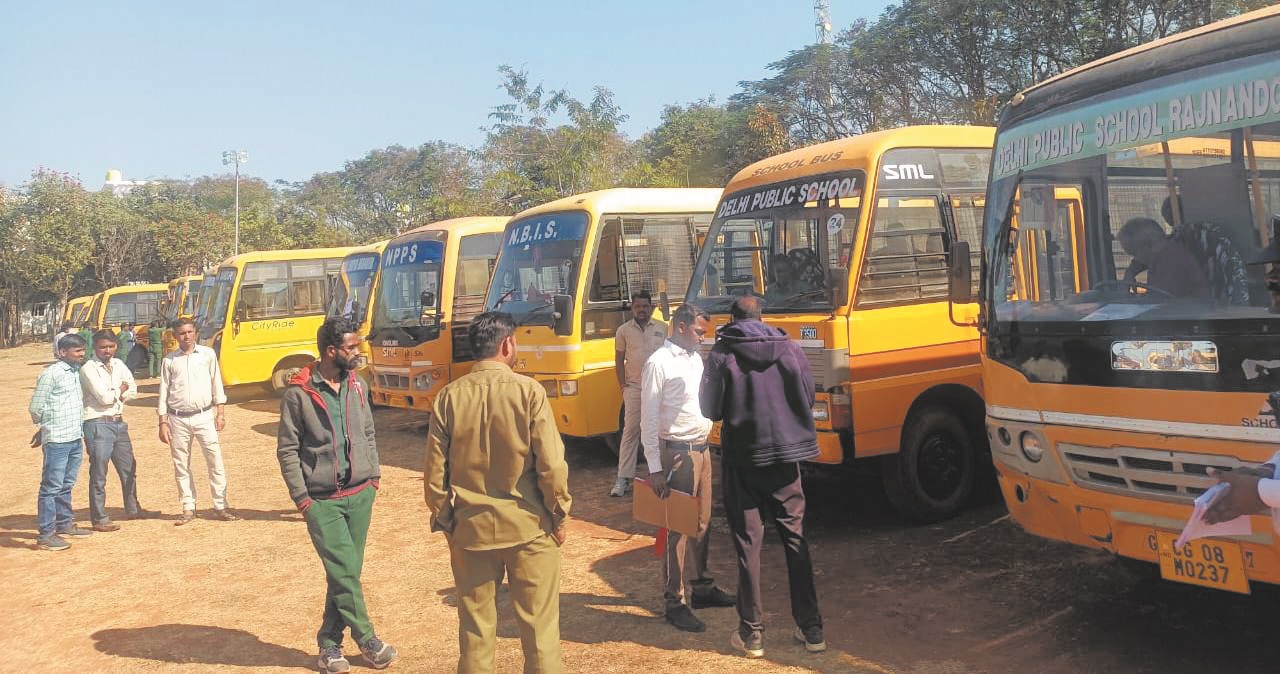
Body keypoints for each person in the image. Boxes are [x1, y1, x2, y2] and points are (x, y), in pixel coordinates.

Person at [425, 311, 572, 674]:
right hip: (530, 528)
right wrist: (559, 515)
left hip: (471, 530)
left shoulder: (448, 398)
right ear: (507, 345)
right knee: (540, 632)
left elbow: (433, 477)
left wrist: (447, 522)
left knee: (475, 632)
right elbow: (552, 466)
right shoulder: (529, 392)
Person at [700, 295, 825, 658]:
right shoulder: (789, 348)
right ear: (762, 317)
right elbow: (808, 395)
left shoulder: (723, 352)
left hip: (744, 459)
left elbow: (709, 408)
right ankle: (812, 628)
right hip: (786, 458)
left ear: (734, 319)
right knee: (795, 540)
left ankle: (752, 634)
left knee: (748, 546)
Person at [277, 318, 397, 673]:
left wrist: (373, 476)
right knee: (344, 572)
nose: (357, 352)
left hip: (361, 494)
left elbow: (368, 431)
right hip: (322, 501)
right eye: (351, 347)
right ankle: (368, 639)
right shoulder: (298, 393)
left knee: (344, 572)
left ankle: (329, 645)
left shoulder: (357, 385)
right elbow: (287, 450)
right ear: (331, 351)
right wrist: (303, 499)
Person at [639, 303, 735, 632]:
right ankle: (674, 600)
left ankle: (702, 586)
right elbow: (648, 419)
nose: (702, 339)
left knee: (703, 522)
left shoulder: (695, 358)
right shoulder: (658, 363)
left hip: (702, 450)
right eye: (698, 332)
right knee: (676, 528)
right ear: (680, 327)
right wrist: (654, 468)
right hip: (677, 453)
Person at [158, 317, 239, 525]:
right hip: (177, 418)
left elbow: (216, 383)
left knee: (215, 460)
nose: (186, 337)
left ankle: (220, 505)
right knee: (181, 464)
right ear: (175, 336)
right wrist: (163, 421)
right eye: (182, 333)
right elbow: (164, 391)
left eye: (189, 332)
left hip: (204, 415)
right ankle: (188, 507)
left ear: (195, 333)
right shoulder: (169, 360)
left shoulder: (207, 354)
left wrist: (220, 412)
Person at [29, 333, 91, 551]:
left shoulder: (75, 372)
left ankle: (64, 524)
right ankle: (46, 535)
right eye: (77, 351)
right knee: (51, 487)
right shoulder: (51, 374)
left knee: (67, 484)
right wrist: (45, 428)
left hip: (74, 437)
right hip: (57, 440)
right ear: (62, 352)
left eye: (82, 350)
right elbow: (36, 407)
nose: (82, 354)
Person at [80, 330, 142, 532]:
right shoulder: (88, 368)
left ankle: (133, 509)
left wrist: (119, 393)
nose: (107, 351)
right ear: (95, 347)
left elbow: (133, 389)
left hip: (118, 421)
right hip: (97, 423)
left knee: (129, 468)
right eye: (103, 347)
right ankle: (99, 518)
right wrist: (120, 390)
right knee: (99, 472)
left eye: (111, 346)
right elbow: (103, 398)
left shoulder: (118, 364)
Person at [610, 289, 668, 497]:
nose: (641, 310)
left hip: (659, 389)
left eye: (645, 306)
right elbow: (619, 360)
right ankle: (623, 479)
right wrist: (623, 386)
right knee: (630, 432)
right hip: (634, 388)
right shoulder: (623, 331)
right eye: (637, 307)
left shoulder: (663, 328)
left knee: (660, 432)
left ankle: (663, 476)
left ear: (651, 307)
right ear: (632, 308)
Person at [1117, 217, 1209, 298]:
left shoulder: (1171, 263)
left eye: (1134, 253)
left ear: (1147, 245)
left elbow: (1160, 300)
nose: (1135, 259)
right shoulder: (1163, 251)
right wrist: (1130, 272)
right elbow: (1138, 263)